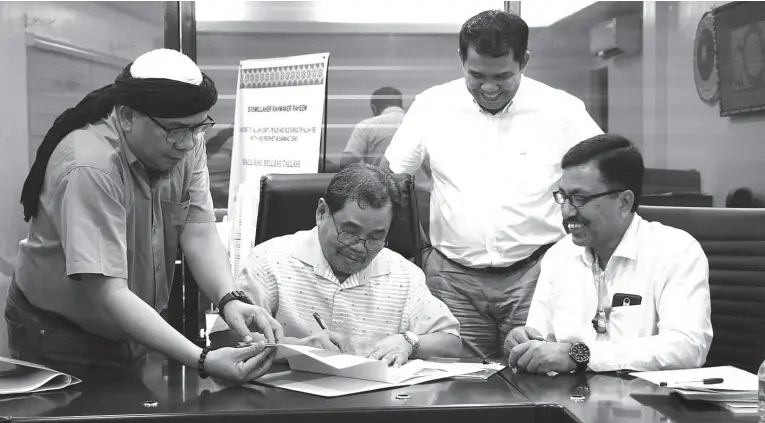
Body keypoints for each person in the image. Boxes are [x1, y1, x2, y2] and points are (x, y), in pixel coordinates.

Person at [8, 49, 283, 384]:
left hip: (130, 325)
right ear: (127, 116)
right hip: (60, 333)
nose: (188, 143)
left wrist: (229, 299)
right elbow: (109, 293)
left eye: (199, 128)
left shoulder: (185, 140)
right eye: (177, 130)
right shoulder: (90, 166)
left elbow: (198, 231)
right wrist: (204, 360)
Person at [382, 10, 603, 358]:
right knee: (455, 388)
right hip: (453, 280)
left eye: (502, 76)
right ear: (461, 60)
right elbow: (392, 178)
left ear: (524, 61)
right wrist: (417, 251)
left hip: (537, 273)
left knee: (535, 381)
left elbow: (602, 178)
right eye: (476, 75)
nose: (488, 88)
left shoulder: (562, 110)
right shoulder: (432, 106)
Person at [210, 164, 461, 367]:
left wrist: (410, 342)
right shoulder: (269, 261)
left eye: (375, 237)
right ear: (321, 212)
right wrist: (298, 348)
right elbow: (225, 340)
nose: (360, 247)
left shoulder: (404, 275)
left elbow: (451, 343)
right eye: (349, 232)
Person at [506, 135, 712, 373]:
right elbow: (542, 340)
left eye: (580, 198)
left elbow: (688, 347)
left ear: (624, 202)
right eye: (563, 196)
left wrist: (581, 356)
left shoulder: (676, 251)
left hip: (647, 403)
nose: (566, 211)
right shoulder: (558, 256)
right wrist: (525, 343)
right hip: (567, 399)